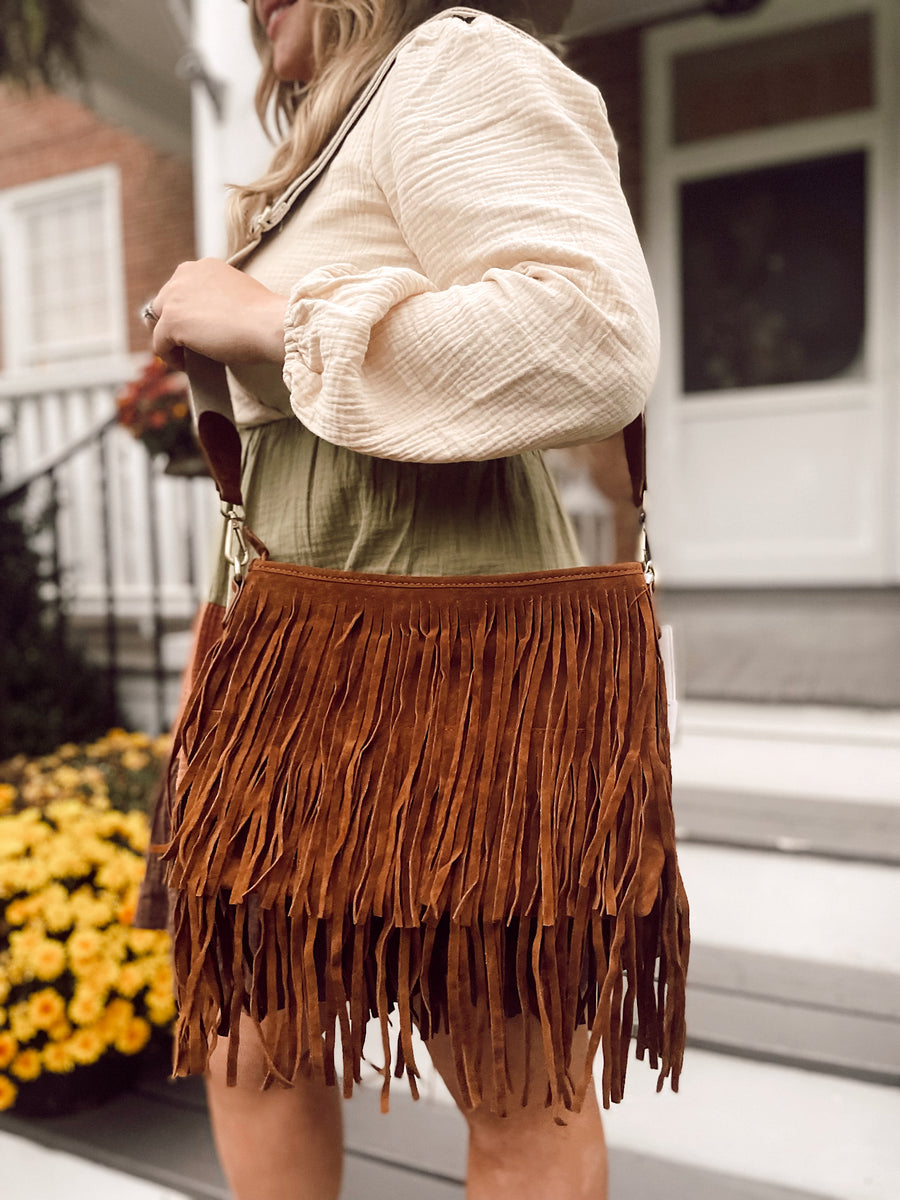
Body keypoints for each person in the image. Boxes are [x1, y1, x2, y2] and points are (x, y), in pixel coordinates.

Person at [141, 3, 686, 1198]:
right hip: (285, 654)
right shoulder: (338, 131)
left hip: (454, 670)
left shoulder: (452, 61)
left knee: (514, 1089)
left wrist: (274, 324)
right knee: (251, 1039)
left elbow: (592, 335)